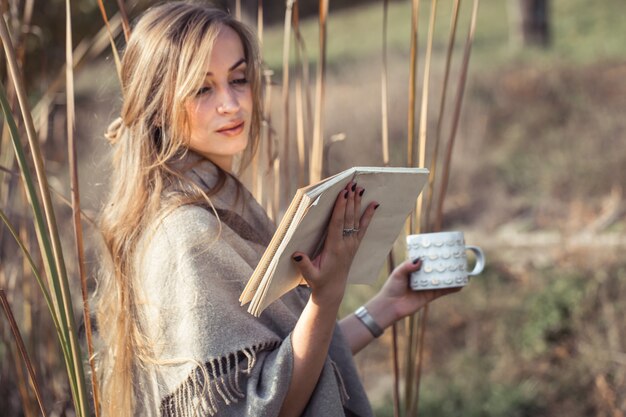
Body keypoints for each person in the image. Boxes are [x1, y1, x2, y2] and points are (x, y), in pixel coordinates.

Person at [94, 2, 458, 417]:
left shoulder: (220, 205)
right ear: (156, 104)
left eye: (239, 78)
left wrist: (385, 306)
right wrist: (325, 297)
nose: (231, 104)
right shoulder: (189, 235)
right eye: (201, 88)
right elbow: (267, 407)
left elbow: (286, 365)